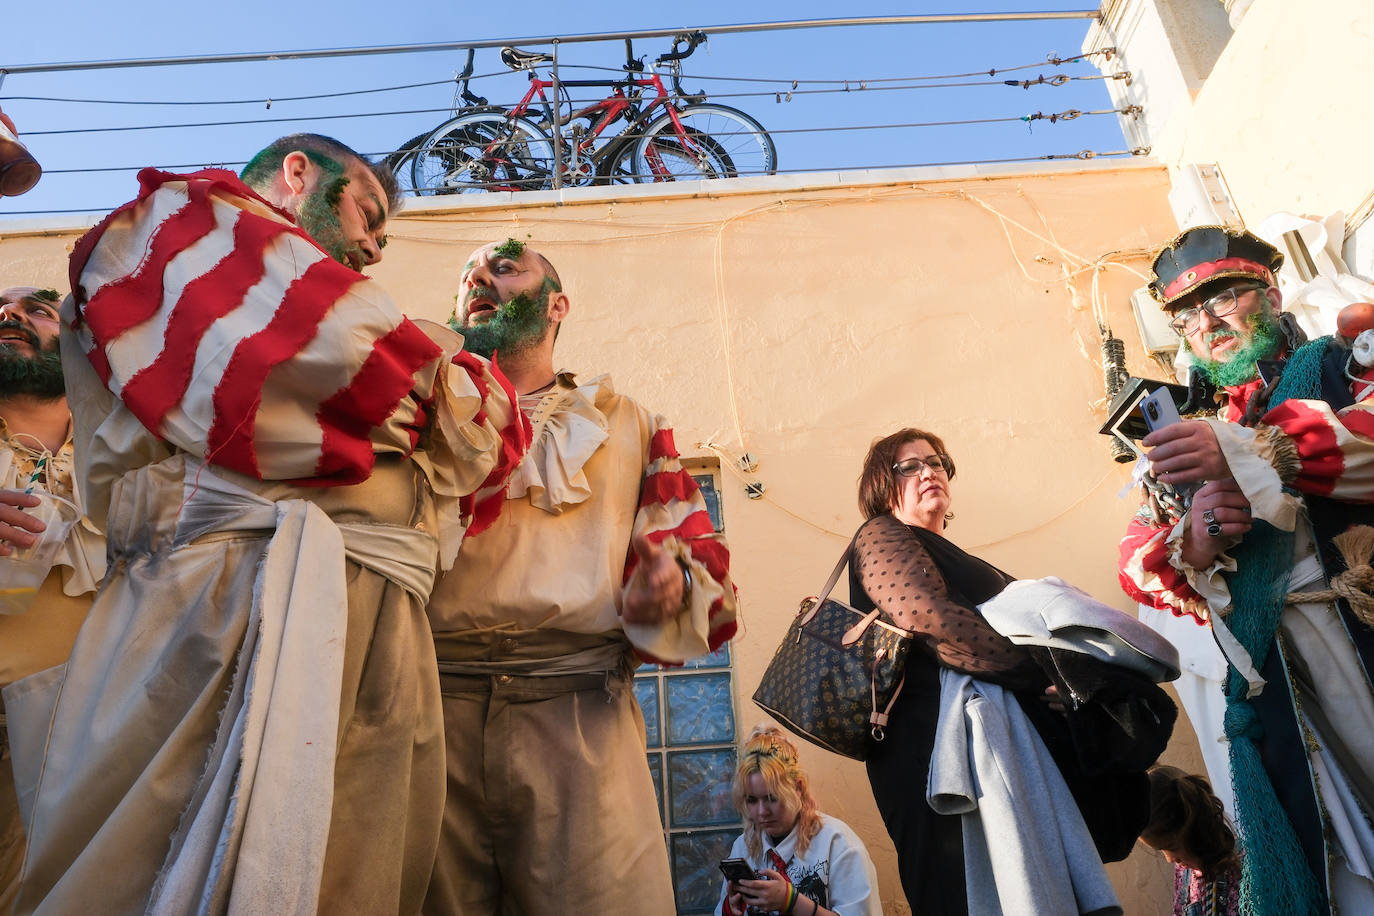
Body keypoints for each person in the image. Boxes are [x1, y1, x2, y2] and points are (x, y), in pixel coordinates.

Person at [6, 134, 524, 915]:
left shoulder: (283, 270)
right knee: (151, 862)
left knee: (356, 872)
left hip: (369, 621)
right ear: (296, 174)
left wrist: (449, 388)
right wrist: (446, 382)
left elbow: (486, 439)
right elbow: (359, 375)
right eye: (367, 212)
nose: (373, 246)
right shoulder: (179, 225)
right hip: (218, 608)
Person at [422, 238, 738, 914]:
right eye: (470, 273)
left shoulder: (628, 423)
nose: (481, 276)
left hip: (577, 719)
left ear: (557, 305)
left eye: (505, 267)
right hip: (426, 719)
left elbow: (698, 585)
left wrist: (663, 594)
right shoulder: (416, 416)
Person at [1118, 225, 1374, 913]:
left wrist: (1252, 452)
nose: (1206, 323)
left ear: (1273, 291)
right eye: (1188, 315)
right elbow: (1141, 560)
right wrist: (1199, 540)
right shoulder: (1187, 435)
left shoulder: (1342, 361)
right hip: (1274, 673)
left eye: (1224, 297)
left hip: (1356, 625)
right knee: (1333, 847)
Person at [851, 428, 1139, 915]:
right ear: (883, 483)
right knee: (957, 889)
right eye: (912, 465)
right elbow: (928, 617)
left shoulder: (958, 557)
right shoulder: (880, 535)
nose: (930, 471)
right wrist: (1035, 674)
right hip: (930, 750)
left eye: (938, 462)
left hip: (996, 744)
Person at [0, 285, 104, 913]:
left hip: (84, 738)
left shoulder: (129, 454)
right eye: (0, 308)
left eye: (37, 309)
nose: (8, 314)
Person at [716, 725, 881, 916]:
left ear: (798, 789)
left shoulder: (838, 844)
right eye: (751, 800)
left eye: (772, 798)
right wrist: (731, 908)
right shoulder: (743, 847)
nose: (762, 812)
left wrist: (791, 901)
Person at [1140, 766, 1241, 916]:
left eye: (1172, 847)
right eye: (1161, 850)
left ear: (1197, 832)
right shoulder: (1184, 873)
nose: (1169, 859)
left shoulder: (1244, 869)